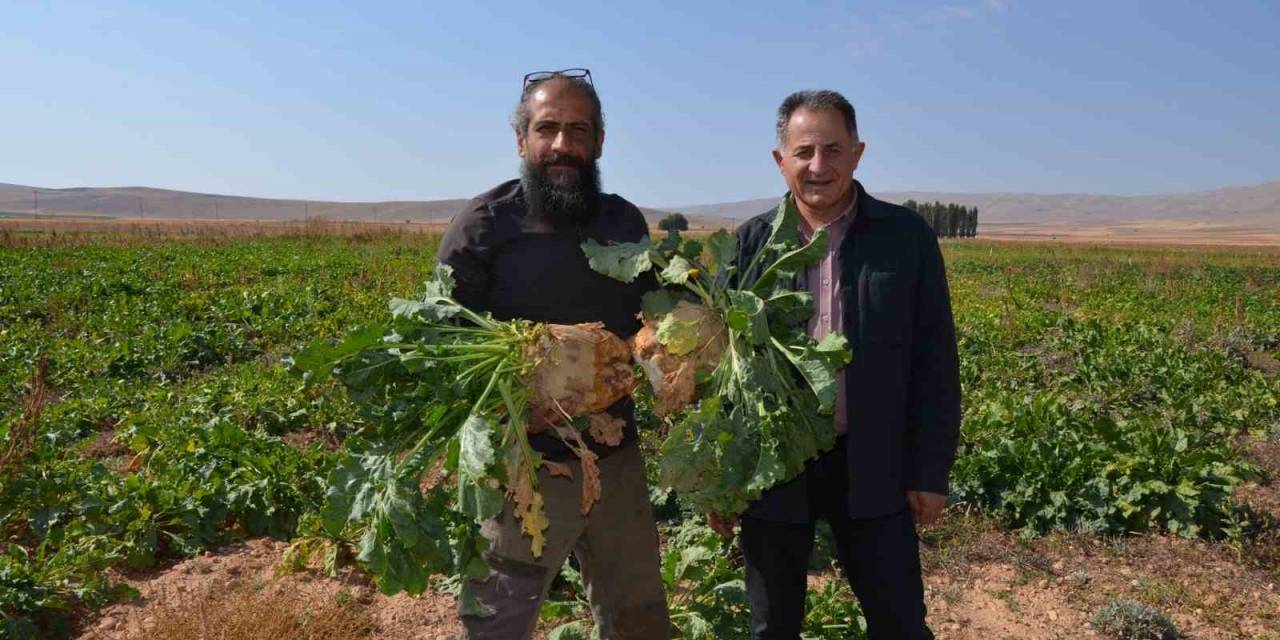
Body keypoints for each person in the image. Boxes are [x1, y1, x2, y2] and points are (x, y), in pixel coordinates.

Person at [716, 89, 961, 639]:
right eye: (803, 152)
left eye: (832, 149)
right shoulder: (749, 245)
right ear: (780, 160)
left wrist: (929, 471)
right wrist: (724, 480)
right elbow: (722, 376)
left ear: (857, 153)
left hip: (875, 460)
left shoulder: (906, 239)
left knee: (899, 622)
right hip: (775, 468)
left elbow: (935, 362)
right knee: (772, 626)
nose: (818, 166)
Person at [437, 69, 670, 639]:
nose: (562, 144)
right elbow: (445, 344)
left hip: (616, 462)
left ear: (599, 142)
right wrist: (521, 389)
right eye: (547, 129)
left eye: (578, 130)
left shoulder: (623, 222)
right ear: (522, 140)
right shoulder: (484, 225)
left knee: (638, 615)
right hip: (521, 467)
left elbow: (651, 322)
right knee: (498, 623)